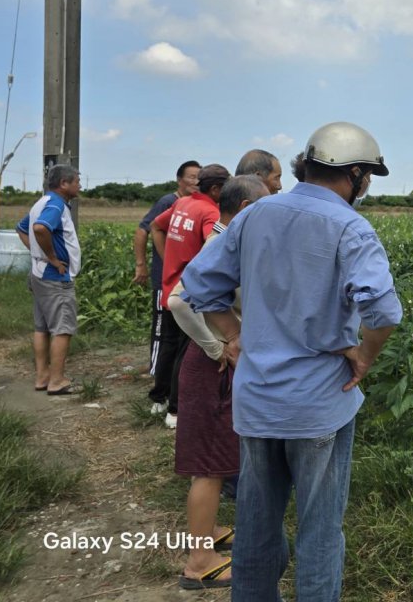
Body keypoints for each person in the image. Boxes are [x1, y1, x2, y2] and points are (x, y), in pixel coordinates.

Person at [182, 122, 402, 602]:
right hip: (320, 403)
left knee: (257, 525)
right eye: (368, 178)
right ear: (357, 173)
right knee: (320, 532)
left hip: (258, 400)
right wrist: (363, 357)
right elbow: (383, 311)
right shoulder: (349, 225)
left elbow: (199, 284)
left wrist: (234, 336)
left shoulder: (255, 215)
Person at [167, 175, 269, 590]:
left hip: (216, 367)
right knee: (209, 467)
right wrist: (219, 345)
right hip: (212, 369)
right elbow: (178, 299)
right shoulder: (219, 244)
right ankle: (199, 563)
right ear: (246, 209)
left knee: (215, 459)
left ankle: (206, 534)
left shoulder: (230, 240)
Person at [150, 164, 230, 429]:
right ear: (216, 189)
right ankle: (175, 409)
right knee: (186, 352)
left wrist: (168, 259)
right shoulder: (210, 212)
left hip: (170, 284)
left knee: (168, 345)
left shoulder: (183, 203)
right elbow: (218, 249)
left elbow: (156, 226)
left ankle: (157, 398)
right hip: (189, 293)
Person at [133, 160, 200, 411]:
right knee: (164, 336)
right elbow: (144, 230)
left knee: (178, 338)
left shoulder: (193, 205)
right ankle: (158, 388)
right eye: (191, 177)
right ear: (179, 180)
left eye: (199, 177)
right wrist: (142, 264)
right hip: (166, 279)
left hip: (180, 281)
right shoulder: (168, 202)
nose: (195, 182)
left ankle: (168, 385)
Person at [15, 164, 82, 395]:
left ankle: (43, 376)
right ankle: (57, 380)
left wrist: (37, 253)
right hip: (54, 277)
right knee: (62, 328)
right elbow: (40, 228)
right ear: (64, 184)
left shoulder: (42, 202)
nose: (79, 185)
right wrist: (52, 258)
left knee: (41, 327)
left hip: (38, 273)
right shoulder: (55, 205)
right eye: (77, 181)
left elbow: (21, 228)